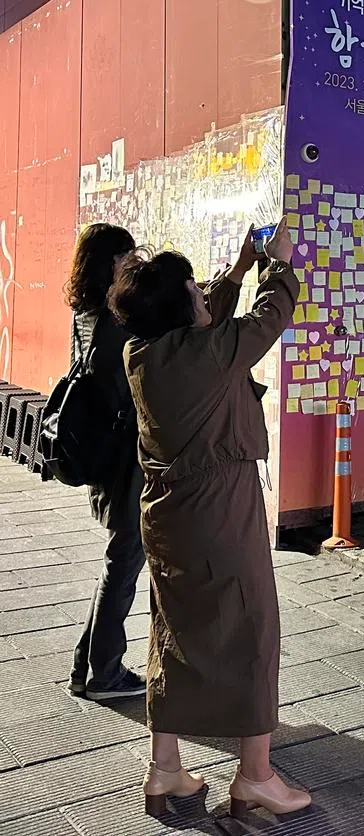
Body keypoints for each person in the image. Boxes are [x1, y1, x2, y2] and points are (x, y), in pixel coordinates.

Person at [108, 223, 310, 819]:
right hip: (221, 507)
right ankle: (255, 775)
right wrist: (275, 265)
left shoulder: (143, 350)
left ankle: (165, 769)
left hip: (167, 511)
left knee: (173, 630)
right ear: (181, 305)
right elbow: (268, 318)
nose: (203, 292)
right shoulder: (209, 352)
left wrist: (238, 266)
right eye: (194, 287)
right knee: (251, 625)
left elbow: (201, 321)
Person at [65, 222, 146, 702]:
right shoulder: (115, 323)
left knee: (122, 557)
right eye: (128, 258)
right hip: (124, 460)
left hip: (101, 452)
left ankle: (87, 666)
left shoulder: (85, 313)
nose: (134, 265)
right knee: (124, 559)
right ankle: (105, 674)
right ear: (110, 262)